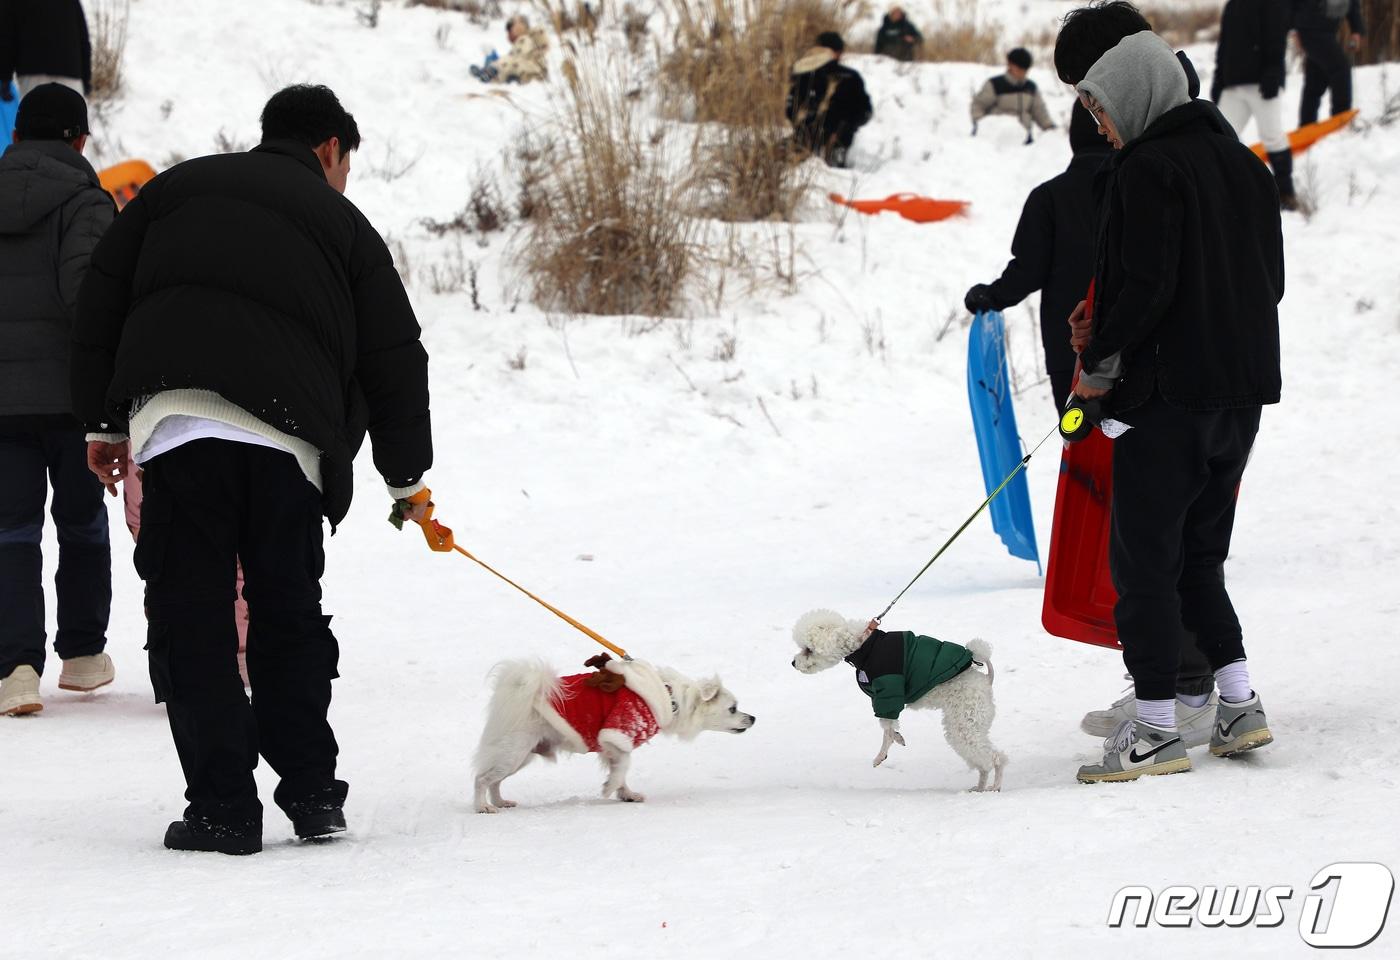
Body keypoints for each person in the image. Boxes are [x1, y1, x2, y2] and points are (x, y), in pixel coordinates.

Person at [72, 84, 434, 854]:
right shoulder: (342, 222)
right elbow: (395, 357)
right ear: (331, 149)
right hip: (288, 444)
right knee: (286, 615)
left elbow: (100, 298)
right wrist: (407, 480)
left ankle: (223, 809)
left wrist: (103, 423)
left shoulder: (173, 189)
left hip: (177, 433)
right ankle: (311, 796)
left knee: (194, 622)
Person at [1059, 27, 1283, 782]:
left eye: (1103, 111)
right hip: (1241, 396)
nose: (1103, 128)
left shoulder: (1148, 167)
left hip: (1170, 397)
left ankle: (1155, 728)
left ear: (1133, 94)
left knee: (1144, 564)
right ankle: (1239, 703)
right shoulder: (1246, 169)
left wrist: (1095, 364)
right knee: (1199, 558)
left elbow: (1145, 287)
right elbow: (1267, 286)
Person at [1052, 0, 1229, 751]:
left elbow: (1156, 274)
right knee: (1176, 544)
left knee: (1157, 546)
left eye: (1090, 93)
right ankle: (1176, 681)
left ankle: (1177, 691)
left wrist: (1102, 366)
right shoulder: (1191, 130)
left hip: (1172, 380)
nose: (1093, 116)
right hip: (1211, 376)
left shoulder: (1166, 143)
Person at [0, 84, 116, 717]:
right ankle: (82, 655)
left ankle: (15, 669)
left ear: (16, 136)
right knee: (81, 524)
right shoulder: (86, 202)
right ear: (79, 139)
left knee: (10, 530)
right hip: (73, 400)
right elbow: (91, 302)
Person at [963, 106, 1111, 413]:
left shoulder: (1049, 197)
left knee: (1081, 445)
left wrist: (989, 297)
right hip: (1136, 344)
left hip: (1068, 348)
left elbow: (1028, 271)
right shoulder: (1143, 188)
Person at [1213, 0, 1297, 211]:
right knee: (1221, 138)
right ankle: (1227, 191)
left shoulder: (1272, 4)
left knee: (1272, 136)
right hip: (1233, 84)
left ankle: (1286, 194)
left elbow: (1277, 37)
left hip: (1262, 84)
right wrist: (1218, 80)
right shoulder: (1232, 5)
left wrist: (1273, 72)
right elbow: (1224, 45)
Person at [786, 31, 873, 169]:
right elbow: (866, 112)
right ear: (838, 52)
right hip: (837, 141)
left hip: (802, 138)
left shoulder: (799, 71)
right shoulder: (850, 76)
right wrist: (846, 127)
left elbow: (790, 109)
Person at [1292, 0, 1365, 126]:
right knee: (1341, 70)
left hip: (1327, 32)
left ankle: (1306, 126)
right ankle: (1341, 120)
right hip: (1309, 30)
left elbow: (1352, 4)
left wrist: (1356, 31)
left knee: (1316, 80)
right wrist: (1293, 29)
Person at [0, 0, 92, 100]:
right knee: (69, 114)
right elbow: (84, 40)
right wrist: (86, 80)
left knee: (36, 113)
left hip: (32, 73)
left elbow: (6, 38)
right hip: (70, 75)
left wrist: (5, 78)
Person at [970, 48, 1055, 144]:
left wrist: (1051, 129)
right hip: (997, 142)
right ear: (1010, 65)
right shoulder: (995, 84)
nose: (1022, 72)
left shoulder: (1031, 87)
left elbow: (1040, 111)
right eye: (1019, 68)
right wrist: (982, 127)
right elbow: (978, 105)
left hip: (1024, 141)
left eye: (1025, 69)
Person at [469, 15, 549, 84]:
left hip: (531, 70)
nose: (508, 35)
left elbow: (515, 59)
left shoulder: (524, 39)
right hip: (528, 70)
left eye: (510, 31)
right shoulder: (526, 40)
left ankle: (490, 70)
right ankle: (490, 69)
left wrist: (497, 66)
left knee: (508, 62)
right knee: (507, 64)